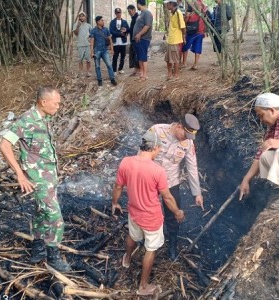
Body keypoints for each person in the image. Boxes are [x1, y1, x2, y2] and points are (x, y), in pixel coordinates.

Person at [0, 87, 70, 272]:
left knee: (40, 212)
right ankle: (53, 256)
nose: (58, 106)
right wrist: (20, 175)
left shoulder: (45, 118)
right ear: (43, 102)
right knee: (56, 218)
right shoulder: (26, 120)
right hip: (37, 179)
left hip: (49, 177)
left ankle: (37, 248)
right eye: (56, 103)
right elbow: (4, 145)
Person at [111, 130, 185, 296]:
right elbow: (166, 197)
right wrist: (177, 211)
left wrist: (115, 203)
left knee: (133, 235)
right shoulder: (158, 171)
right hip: (151, 217)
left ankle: (127, 260)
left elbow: (117, 187)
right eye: (159, 149)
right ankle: (143, 286)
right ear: (155, 148)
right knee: (151, 249)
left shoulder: (126, 162)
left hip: (133, 211)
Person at [148, 114, 204, 260]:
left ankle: (172, 245)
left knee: (173, 215)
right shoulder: (156, 130)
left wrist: (197, 193)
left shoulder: (188, 143)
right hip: (150, 180)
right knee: (147, 210)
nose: (186, 138)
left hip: (170, 182)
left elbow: (192, 167)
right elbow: (141, 155)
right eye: (185, 134)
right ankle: (147, 241)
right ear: (179, 126)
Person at [90, 16, 118, 87]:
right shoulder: (93, 31)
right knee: (97, 66)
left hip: (105, 50)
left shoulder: (106, 29)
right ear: (98, 22)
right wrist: (91, 52)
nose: (103, 21)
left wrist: (112, 49)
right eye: (102, 20)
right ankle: (99, 80)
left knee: (109, 65)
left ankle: (112, 79)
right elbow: (92, 42)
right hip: (97, 51)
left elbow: (110, 40)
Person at [182, 0, 207, 70]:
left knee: (185, 46)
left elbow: (187, 16)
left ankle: (184, 63)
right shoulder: (203, 6)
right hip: (200, 29)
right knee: (198, 46)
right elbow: (206, 16)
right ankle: (195, 64)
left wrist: (184, 22)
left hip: (191, 29)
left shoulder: (191, 4)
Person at [164, 0, 186, 81]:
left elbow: (183, 26)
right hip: (170, 39)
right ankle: (169, 74)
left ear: (171, 4)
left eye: (167, 3)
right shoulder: (171, 13)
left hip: (175, 40)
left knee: (175, 59)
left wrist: (183, 37)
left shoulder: (178, 13)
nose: (166, 5)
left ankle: (176, 75)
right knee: (168, 59)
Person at [133, 0, 153, 81]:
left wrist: (139, 34)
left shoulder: (147, 13)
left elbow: (147, 25)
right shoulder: (141, 13)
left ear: (138, 4)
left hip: (143, 38)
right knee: (140, 57)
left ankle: (145, 75)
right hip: (138, 39)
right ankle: (141, 74)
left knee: (143, 56)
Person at [110, 8, 129, 75]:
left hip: (123, 42)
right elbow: (111, 31)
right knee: (115, 57)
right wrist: (119, 34)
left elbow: (128, 29)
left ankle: (120, 69)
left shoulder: (124, 22)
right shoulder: (112, 22)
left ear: (121, 13)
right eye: (117, 13)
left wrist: (125, 31)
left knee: (123, 56)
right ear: (115, 13)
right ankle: (114, 70)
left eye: (119, 12)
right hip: (115, 42)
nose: (118, 14)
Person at [72, 12, 93, 77]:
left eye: (83, 16)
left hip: (87, 44)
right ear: (79, 17)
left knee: (88, 59)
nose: (81, 17)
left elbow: (91, 35)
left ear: (85, 17)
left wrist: (90, 39)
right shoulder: (75, 24)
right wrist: (78, 26)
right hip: (80, 44)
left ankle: (88, 72)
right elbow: (76, 33)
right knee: (80, 59)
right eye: (80, 16)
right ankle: (80, 71)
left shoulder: (89, 25)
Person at [127, 5, 140, 76]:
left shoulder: (137, 18)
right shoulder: (133, 18)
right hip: (132, 39)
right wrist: (127, 30)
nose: (129, 13)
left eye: (130, 11)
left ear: (134, 10)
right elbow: (132, 29)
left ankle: (137, 70)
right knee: (132, 54)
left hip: (136, 39)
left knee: (136, 54)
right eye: (128, 11)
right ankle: (135, 69)